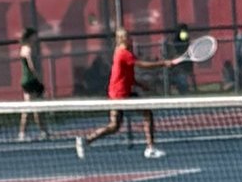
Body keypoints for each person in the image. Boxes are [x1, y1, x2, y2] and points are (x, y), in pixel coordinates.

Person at [75, 28, 178, 160]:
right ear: (123, 39)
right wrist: (163, 63)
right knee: (140, 115)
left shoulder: (124, 53)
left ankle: (86, 140)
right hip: (119, 95)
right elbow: (141, 64)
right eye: (129, 37)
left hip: (123, 93)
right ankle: (150, 148)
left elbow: (126, 75)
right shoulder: (123, 53)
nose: (131, 40)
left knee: (115, 125)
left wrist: (140, 85)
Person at [16, 27, 50, 141]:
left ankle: (43, 131)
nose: (36, 38)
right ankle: (23, 134)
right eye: (34, 36)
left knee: (36, 109)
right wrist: (38, 78)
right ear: (30, 37)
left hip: (31, 81)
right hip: (30, 81)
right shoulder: (27, 49)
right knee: (30, 109)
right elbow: (32, 66)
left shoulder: (26, 48)